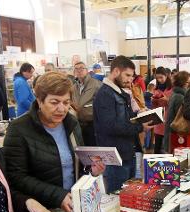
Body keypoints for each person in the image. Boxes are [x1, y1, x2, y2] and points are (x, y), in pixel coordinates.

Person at [4, 72, 106, 212]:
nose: (62, 109)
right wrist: (57, 196)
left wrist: (91, 171)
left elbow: (77, 166)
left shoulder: (72, 124)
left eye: (66, 102)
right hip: (40, 211)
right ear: (39, 101)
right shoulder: (19, 129)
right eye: (54, 102)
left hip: (72, 205)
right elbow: (17, 177)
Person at [93, 56, 154, 192]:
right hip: (116, 158)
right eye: (127, 75)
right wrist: (140, 127)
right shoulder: (105, 94)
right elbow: (111, 126)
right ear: (115, 71)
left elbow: (125, 119)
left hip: (127, 152)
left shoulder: (120, 92)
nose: (130, 79)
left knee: (128, 195)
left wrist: (141, 116)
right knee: (118, 198)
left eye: (132, 76)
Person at [72, 62, 102, 147]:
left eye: (82, 68)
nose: (79, 71)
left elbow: (102, 103)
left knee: (93, 151)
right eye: (76, 69)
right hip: (78, 125)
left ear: (87, 70)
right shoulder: (73, 87)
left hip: (92, 125)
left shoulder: (96, 84)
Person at [166, 71, 190, 151]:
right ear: (183, 83)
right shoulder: (180, 97)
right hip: (176, 135)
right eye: (189, 83)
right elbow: (181, 119)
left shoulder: (175, 94)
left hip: (171, 133)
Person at [151, 67, 173, 153]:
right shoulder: (155, 89)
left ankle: (168, 165)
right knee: (157, 146)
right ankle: (155, 165)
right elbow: (154, 107)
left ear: (166, 76)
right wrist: (153, 101)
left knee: (167, 147)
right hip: (159, 119)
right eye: (157, 78)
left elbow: (176, 104)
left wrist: (167, 100)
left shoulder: (172, 88)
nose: (160, 80)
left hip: (169, 119)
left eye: (161, 77)